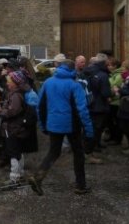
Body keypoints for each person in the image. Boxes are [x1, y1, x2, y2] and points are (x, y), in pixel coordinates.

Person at [28, 59, 95, 195]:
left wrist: (42, 125)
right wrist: (89, 131)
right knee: (78, 154)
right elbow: (82, 110)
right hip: (72, 125)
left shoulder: (48, 82)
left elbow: (40, 106)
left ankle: (38, 177)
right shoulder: (74, 85)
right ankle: (80, 185)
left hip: (53, 124)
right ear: (72, 70)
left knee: (53, 152)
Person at [0, 71, 37, 185]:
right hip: (17, 127)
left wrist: (1, 111)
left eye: (9, 81)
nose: (7, 83)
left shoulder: (15, 95)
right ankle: (20, 173)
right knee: (18, 151)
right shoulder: (18, 93)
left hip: (13, 127)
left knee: (13, 151)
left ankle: (14, 177)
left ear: (15, 82)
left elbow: (13, 111)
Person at [82, 53, 112, 158]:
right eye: (108, 61)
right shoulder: (102, 75)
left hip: (88, 103)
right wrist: (112, 92)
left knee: (89, 128)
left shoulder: (87, 72)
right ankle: (88, 153)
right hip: (99, 106)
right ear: (104, 62)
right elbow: (105, 93)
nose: (109, 63)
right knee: (96, 129)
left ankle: (88, 150)